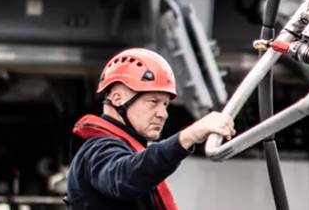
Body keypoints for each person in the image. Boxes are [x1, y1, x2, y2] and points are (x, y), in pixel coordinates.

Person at [67, 48, 235, 210]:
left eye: (165, 104)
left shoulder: (119, 150)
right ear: (117, 99)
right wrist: (188, 136)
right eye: (153, 102)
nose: (163, 114)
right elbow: (123, 177)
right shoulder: (97, 149)